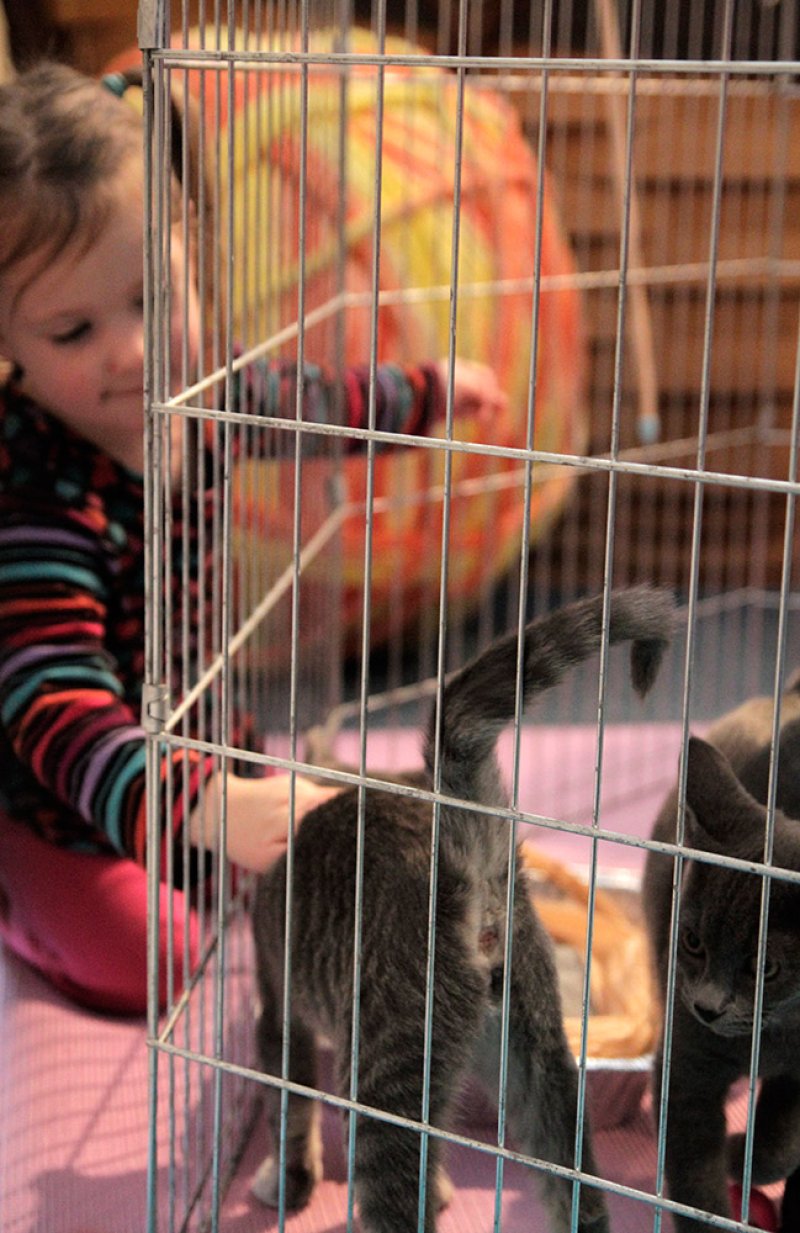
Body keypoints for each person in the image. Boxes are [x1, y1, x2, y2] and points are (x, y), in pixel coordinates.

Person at [0, 62, 507, 1015]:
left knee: (284, 875)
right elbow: (51, 700)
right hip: (65, 797)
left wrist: (427, 391)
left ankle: (199, 819)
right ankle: (16, 894)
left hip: (198, 735)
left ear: (193, 259)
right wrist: (200, 807)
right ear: (10, 342)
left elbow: (314, 402)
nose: (135, 353)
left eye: (157, 298)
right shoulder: (37, 499)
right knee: (158, 960)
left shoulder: (205, 398)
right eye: (73, 330)